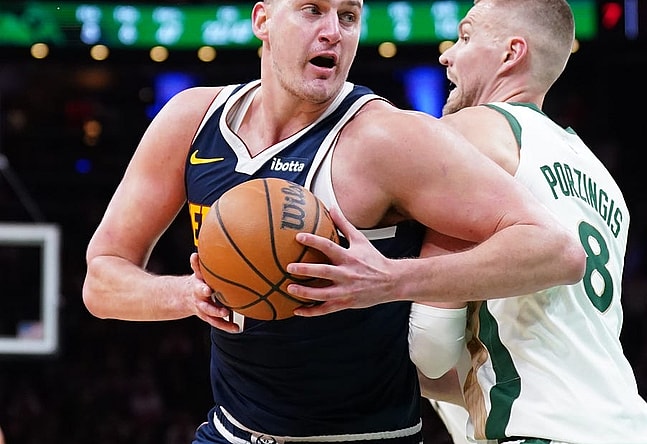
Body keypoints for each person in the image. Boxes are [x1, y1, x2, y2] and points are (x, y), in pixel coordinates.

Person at [82, 0, 586, 443]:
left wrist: (391, 280)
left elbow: (555, 251)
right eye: (312, 10)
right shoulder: (191, 119)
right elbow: (102, 279)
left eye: (348, 16)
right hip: (232, 431)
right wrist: (187, 294)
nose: (333, 31)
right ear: (263, 19)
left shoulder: (385, 138)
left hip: (368, 434)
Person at [287, 0, 647, 443]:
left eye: (465, 37)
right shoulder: (601, 178)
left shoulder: (472, 133)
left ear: (511, 53)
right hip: (630, 424)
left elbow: (431, 347)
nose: (446, 53)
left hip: (538, 430)